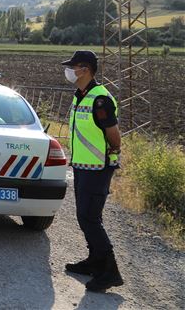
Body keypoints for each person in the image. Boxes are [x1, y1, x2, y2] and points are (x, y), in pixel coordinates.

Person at [61, 50, 124, 293]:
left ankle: (110, 271)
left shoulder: (100, 99)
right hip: (83, 166)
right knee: (84, 216)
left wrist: (113, 153)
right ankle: (94, 261)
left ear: (85, 69)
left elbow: (113, 134)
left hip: (98, 168)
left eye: (73, 66)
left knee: (90, 218)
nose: (69, 71)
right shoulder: (81, 96)